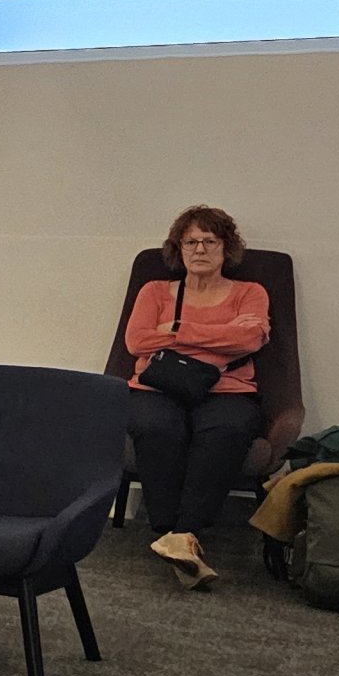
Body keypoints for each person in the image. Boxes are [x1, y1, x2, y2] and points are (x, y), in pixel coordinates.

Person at [123, 204, 271, 589]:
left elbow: (250, 338)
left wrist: (173, 330)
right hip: (158, 387)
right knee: (157, 428)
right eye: (190, 242)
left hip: (228, 390)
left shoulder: (250, 292)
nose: (199, 249)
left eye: (209, 241)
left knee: (226, 431)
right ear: (179, 249)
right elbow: (137, 341)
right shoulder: (155, 291)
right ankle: (172, 533)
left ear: (226, 248)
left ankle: (182, 533)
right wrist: (221, 336)